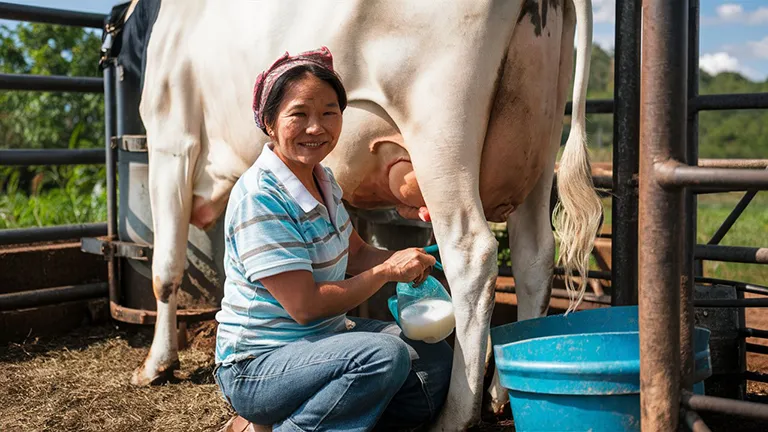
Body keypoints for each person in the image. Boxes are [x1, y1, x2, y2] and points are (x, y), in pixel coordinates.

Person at [213, 46, 453, 432]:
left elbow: (355, 253)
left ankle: (291, 420)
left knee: (433, 360)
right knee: (384, 356)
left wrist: (406, 260)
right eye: (299, 114)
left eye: (329, 112)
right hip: (257, 365)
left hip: (324, 345)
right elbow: (305, 307)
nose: (316, 127)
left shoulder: (323, 179)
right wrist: (388, 273)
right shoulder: (261, 197)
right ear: (269, 122)